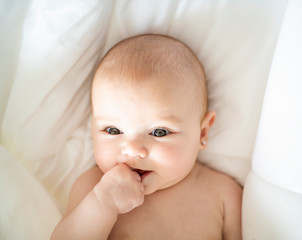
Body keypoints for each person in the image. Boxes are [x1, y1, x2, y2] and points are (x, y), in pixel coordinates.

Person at [51, 34, 242, 240]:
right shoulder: (94, 188)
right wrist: (103, 203)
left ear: (202, 132)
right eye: (113, 130)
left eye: (159, 132)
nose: (132, 150)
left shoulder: (223, 194)